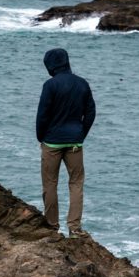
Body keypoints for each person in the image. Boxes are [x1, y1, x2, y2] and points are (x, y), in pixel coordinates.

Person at [36, 48, 95, 237]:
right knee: (76, 183)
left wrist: (41, 137)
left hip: (52, 142)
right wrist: (80, 134)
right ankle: (75, 228)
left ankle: (52, 226)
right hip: (75, 143)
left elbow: (43, 115)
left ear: (50, 66)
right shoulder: (82, 83)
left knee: (50, 184)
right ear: (67, 62)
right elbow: (91, 113)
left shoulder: (50, 85)